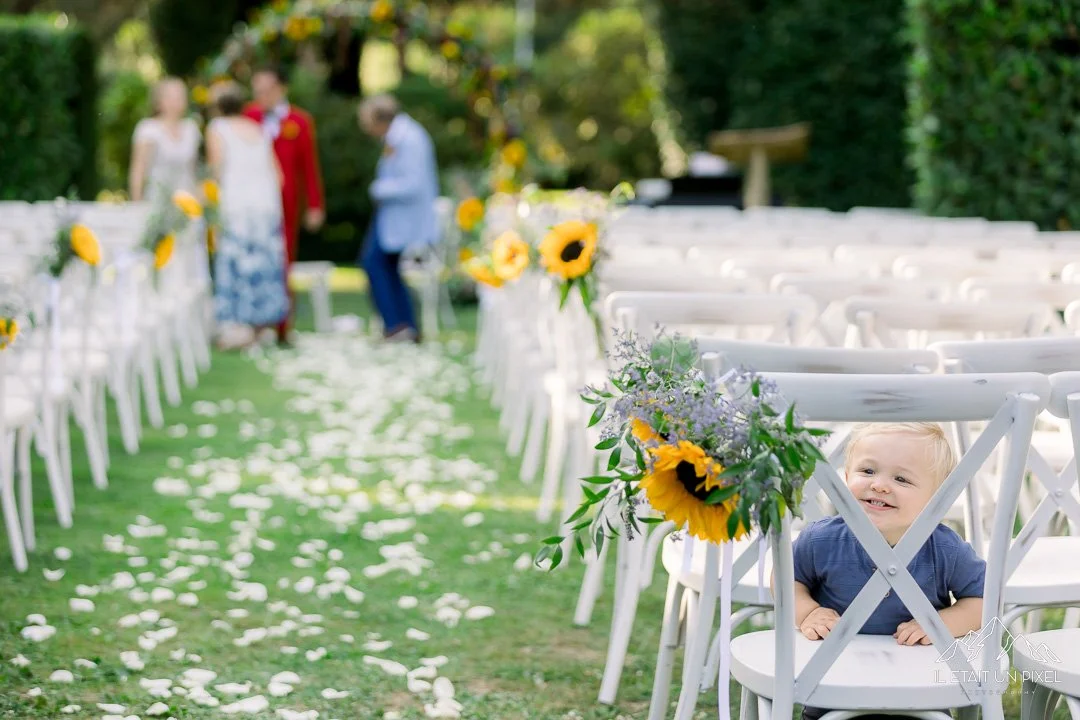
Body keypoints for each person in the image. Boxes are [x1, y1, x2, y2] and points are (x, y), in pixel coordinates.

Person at [790, 422, 985, 720]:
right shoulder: (821, 539)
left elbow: (983, 601)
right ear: (845, 477)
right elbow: (788, 579)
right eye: (867, 471)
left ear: (938, 499)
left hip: (920, 689)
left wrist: (940, 624)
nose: (879, 485)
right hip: (831, 679)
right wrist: (807, 612)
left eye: (901, 479)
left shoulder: (945, 549)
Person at [243, 65, 325, 347]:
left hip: (286, 205)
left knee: (283, 262)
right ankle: (255, 323)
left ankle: (282, 325)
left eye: (267, 90)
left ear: (281, 89)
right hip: (252, 203)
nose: (262, 96)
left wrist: (315, 205)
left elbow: (309, 167)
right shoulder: (248, 117)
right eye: (258, 91)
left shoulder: (299, 122)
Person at [206, 82, 289, 350]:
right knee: (264, 264)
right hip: (265, 207)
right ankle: (263, 326)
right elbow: (278, 176)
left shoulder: (217, 129)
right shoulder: (258, 129)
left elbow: (217, 171)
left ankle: (237, 328)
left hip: (237, 207)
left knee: (236, 263)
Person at [357, 94, 439, 343]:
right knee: (384, 266)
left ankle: (398, 325)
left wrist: (379, 188)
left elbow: (414, 183)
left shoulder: (410, 139)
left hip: (405, 218)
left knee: (374, 263)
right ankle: (403, 326)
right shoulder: (399, 136)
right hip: (393, 218)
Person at [129, 77, 201, 202]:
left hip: (187, 202)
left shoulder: (191, 129)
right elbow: (138, 170)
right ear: (158, 101)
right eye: (170, 97)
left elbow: (194, 171)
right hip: (157, 202)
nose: (176, 102)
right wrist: (137, 203)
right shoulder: (148, 129)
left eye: (180, 97)